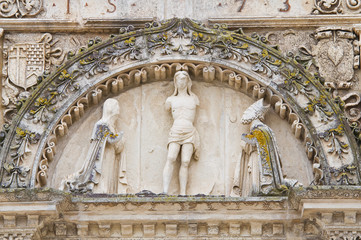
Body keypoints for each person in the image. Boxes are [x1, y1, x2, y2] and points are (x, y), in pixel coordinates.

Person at [60, 98, 126, 193]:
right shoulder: (102, 124)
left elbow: (117, 147)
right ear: (110, 108)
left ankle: (106, 191)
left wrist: (120, 141)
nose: (118, 109)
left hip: (110, 155)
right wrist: (119, 137)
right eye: (117, 106)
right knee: (104, 174)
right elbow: (111, 140)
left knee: (109, 174)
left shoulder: (112, 127)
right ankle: (101, 190)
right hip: (103, 156)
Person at [162, 71, 200, 195]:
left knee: (185, 162)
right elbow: (167, 108)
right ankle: (165, 191)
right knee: (171, 158)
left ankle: (183, 193)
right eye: (179, 79)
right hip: (176, 130)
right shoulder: (170, 99)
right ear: (175, 82)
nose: (181, 81)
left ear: (188, 81)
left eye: (184, 79)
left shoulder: (194, 98)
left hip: (189, 131)